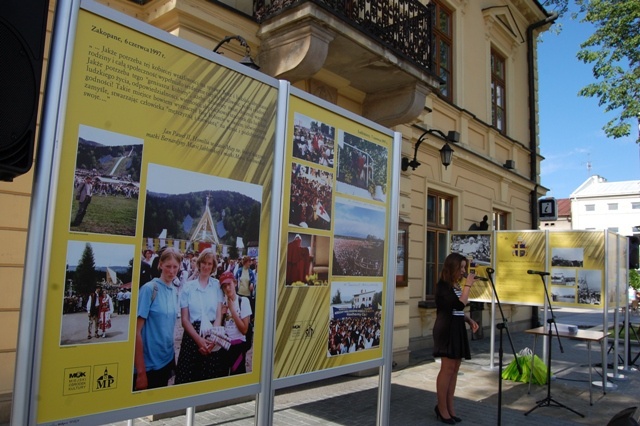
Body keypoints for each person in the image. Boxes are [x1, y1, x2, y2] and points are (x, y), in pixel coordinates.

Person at [432, 252, 479, 424]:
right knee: (447, 368)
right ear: (452, 267)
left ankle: (450, 407)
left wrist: (468, 319)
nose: (463, 271)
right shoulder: (443, 286)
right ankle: (441, 408)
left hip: (457, 327)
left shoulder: (455, 285)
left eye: (464, 268)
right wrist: (468, 285)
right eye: (461, 268)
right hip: (446, 330)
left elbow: (456, 309)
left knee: (455, 368)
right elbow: (458, 304)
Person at [174, 248, 227, 384]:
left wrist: (212, 338)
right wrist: (199, 340)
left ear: (213, 266)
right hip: (193, 336)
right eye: (204, 262)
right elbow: (184, 320)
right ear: (199, 263)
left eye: (210, 264)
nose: (206, 266)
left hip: (212, 335)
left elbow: (218, 314)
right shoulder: (188, 287)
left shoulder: (216, 286)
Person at [133, 247, 181, 391]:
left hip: (166, 359)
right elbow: (136, 332)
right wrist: (141, 372)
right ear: (160, 265)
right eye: (168, 266)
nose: (171, 271)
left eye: (175, 267)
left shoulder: (174, 291)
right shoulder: (149, 289)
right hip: (149, 365)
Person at [219, 271, 252, 375]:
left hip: (238, 347)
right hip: (224, 347)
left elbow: (244, 330)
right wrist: (221, 315)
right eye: (224, 286)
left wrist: (232, 310)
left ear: (235, 283)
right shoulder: (222, 304)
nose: (227, 288)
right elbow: (219, 329)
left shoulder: (243, 301)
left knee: (237, 376)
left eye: (229, 284)